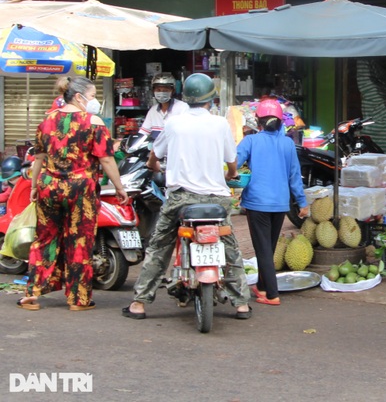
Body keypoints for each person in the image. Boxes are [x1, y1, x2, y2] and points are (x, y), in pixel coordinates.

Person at [122, 73, 252, 320]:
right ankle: (241, 304)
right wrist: (230, 175)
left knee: (159, 247)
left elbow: (153, 157)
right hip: (217, 200)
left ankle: (139, 303)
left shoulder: (174, 123)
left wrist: (155, 168)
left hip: (181, 199)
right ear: (210, 99)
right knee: (230, 248)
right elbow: (231, 161)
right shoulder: (220, 124)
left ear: (185, 97)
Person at [16, 76, 129, 312]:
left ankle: (32, 294)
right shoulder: (94, 122)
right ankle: (78, 299)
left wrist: (35, 186)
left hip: (49, 186)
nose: (94, 100)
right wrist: (119, 188)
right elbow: (106, 158)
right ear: (78, 97)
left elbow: (38, 158)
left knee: (45, 238)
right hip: (81, 189)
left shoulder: (47, 120)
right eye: (92, 95)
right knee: (79, 239)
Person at [236, 99, 309, 306]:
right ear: (279, 122)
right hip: (280, 205)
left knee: (263, 250)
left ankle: (272, 294)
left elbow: (233, 164)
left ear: (258, 121)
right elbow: (295, 176)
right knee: (268, 246)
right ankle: (261, 286)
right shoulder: (288, 143)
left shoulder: (250, 141)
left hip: (257, 203)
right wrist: (302, 203)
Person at [137, 73, 189, 139]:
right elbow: (143, 134)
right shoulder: (153, 111)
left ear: (173, 91)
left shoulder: (183, 108)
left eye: (165, 90)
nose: (161, 93)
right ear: (153, 91)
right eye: (158, 90)